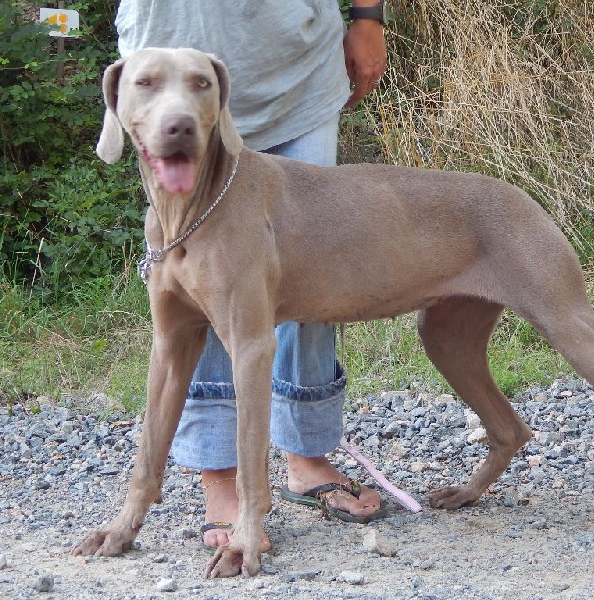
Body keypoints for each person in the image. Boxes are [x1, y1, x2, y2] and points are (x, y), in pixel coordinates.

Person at [114, 0, 388, 552]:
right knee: (196, 308)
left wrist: (367, 16)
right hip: (166, 31)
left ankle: (306, 455)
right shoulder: (149, 81)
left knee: (316, 279)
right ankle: (221, 479)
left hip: (297, 61)